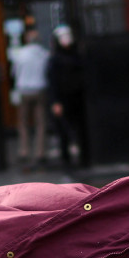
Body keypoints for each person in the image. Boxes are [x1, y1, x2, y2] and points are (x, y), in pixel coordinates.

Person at [7, 27, 50, 168]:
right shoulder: (44, 54)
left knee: (23, 122)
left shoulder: (20, 54)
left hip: (24, 90)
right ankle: (40, 152)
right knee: (40, 122)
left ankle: (24, 151)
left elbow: (14, 72)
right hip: (40, 89)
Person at [48, 24, 89, 169]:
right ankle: (66, 160)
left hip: (77, 97)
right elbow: (52, 81)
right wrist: (56, 101)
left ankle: (84, 158)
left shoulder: (77, 56)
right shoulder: (55, 60)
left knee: (81, 129)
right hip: (63, 99)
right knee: (63, 130)